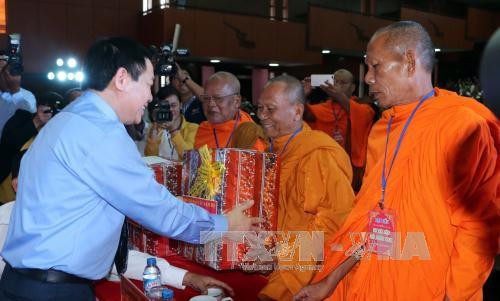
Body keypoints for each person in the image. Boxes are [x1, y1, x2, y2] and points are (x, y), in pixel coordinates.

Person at [0, 37, 262, 301]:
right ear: (122, 79)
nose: (150, 97)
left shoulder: (65, 120)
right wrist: (224, 224)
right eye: (148, 84)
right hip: (52, 290)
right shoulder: (102, 133)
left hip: (21, 282)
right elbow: (159, 211)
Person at [294, 21, 499, 301]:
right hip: (373, 281)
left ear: (410, 61)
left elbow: (478, 230)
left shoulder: (462, 127)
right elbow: (368, 218)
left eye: (375, 67)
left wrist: (453, 297)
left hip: (430, 289)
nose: (367, 79)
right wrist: (329, 281)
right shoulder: (384, 129)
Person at [0, 151, 235, 297]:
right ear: (18, 185)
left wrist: (186, 277)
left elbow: (114, 260)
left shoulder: (70, 217)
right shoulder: (4, 221)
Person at [254, 75, 355, 300]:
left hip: (304, 278)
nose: (262, 116)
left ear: (297, 112)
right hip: (269, 262)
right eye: (260, 108)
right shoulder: (272, 150)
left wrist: (285, 272)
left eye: (270, 109)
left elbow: (331, 223)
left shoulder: (316, 153)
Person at [303, 69, 375, 191]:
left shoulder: (363, 106)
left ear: (352, 87)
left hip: (352, 171)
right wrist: (301, 94)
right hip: (325, 168)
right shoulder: (321, 108)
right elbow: (300, 113)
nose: (338, 86)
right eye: (335, 82)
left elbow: (362, 115)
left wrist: (339, 96)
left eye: (343, 83)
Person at [0, 91, 61, 203]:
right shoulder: (22, 118)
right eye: (48, 107)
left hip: (37, 196)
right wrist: (36, 121)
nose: (51, 112)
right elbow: (7, 144)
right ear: (38, 106)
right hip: (6, 193)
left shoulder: (60, 129)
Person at [194, 71, 267, 151]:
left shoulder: (249, 133)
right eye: (206, 98)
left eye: (218, 98)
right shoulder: (203, 129)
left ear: (236, 101)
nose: (211, 104)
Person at [144, 85, 198, 159]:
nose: (170, 110)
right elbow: (149, 158)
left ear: (181, 105)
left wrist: (173, 130)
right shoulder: (154, 129)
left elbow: (188, 157)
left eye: (173, 105)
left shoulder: (193, 128)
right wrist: (154, 132)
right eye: (165, 107)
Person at [0, 60, 36, 138]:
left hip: (9, 146)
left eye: (4, 69)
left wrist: (15, 91)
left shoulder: (27, 96)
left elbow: (30, 120)